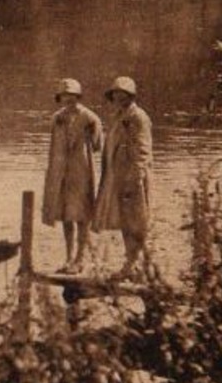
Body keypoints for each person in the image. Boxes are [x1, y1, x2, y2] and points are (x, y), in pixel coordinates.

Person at [93, 75, 155, 280]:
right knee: (125, 221)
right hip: (118, 177)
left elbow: (144, 151)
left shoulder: (139, 117)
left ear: (130, 95)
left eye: (123, 94)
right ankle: (131, 263)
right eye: (115, 94)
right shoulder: (118, 116)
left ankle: (138, 264)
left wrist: (135, 178)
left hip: (133, 179)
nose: (118, 97)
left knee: (137, 222)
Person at [42, 78, 103, 274]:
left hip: (81, 171)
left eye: (72, 96)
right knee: (65, 215)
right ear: (60, 98)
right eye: (64, 96)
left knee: (82, 215)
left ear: (78, 97)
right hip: (61, 173)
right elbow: (53, 146)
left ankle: (80, 258)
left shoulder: (90, 118)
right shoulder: (56, 118)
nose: (68, 99)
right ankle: (68, 257)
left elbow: (97, 145)